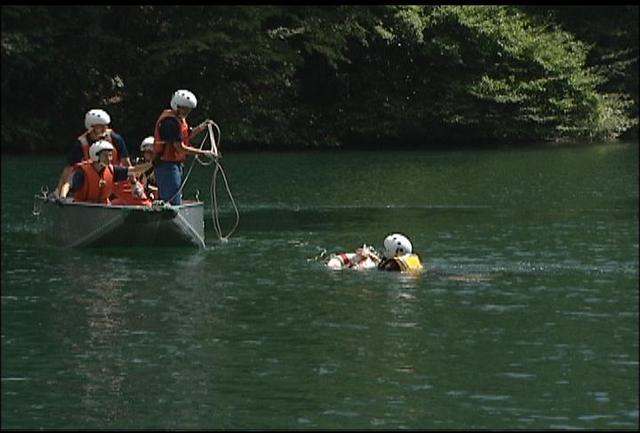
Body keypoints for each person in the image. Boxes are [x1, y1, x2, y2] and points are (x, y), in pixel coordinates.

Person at [153, 89, 217, 205]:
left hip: (175, 165)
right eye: (185, 109)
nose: (187, 112)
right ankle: (168, 219)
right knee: (172, 199)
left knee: (176, 195)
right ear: (177, 106)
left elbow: (186, 135)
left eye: (189, 110)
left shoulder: (179, 119)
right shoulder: (169, 123)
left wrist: (202, 127)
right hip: (166, 165)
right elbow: (180, 147)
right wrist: (203, 153)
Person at [55, 109, 131, 197]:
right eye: (100, 127)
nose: (104, 129)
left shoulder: (116, 139)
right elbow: (68, 171)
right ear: (91, 127)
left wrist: (134, 183)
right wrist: (60, 192)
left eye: (105, 126)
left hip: (115, 180)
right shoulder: (80, 145)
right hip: (93, 185)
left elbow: (127, 163)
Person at [58, 140, 152, 204]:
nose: (109, 159)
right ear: (96, 156)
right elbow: (67, 185)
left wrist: (153, 164)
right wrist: (62, 197)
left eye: (110, 156)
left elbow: (133, 170)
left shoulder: (112, 170)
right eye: (105, 156)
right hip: (82, 207)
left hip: (102, 208)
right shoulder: (82, 173)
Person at [326, 233, 423, 273]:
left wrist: (360, 259)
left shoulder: (390, 267)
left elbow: (354, 270)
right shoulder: (410, 261)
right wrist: (372, 256)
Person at [134, 136, 158, 200]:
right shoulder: (138, 166)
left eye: (151, 152)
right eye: (146, 152)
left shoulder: (159, 168)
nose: (148, 155)